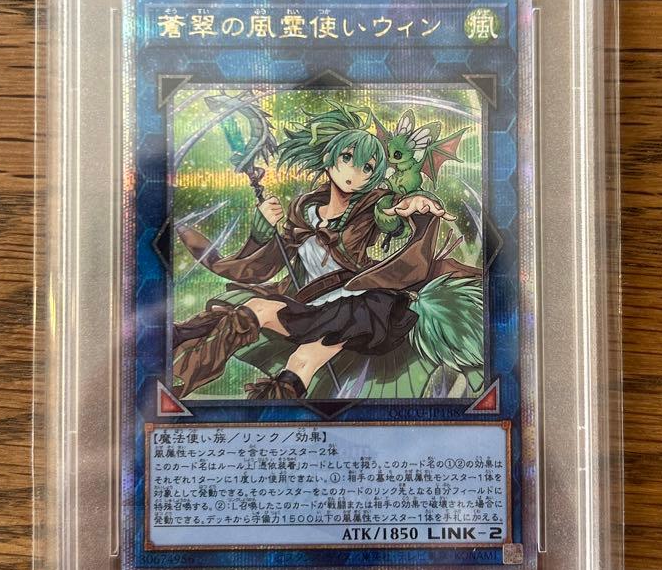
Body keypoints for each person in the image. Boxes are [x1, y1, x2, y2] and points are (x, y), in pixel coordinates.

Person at [173, 105, 481, 399]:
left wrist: (415, 202)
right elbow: (262, 266)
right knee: (254, 308)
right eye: (347, 158)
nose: (355, 172)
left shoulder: (372, 205)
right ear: (328, 158)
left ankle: (273, 416)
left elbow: (390, 211)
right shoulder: (303, 211)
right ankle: (182, 378)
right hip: (308, 302)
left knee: (302, 360)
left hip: (355, 305)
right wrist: (262, 229)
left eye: (367, 167)